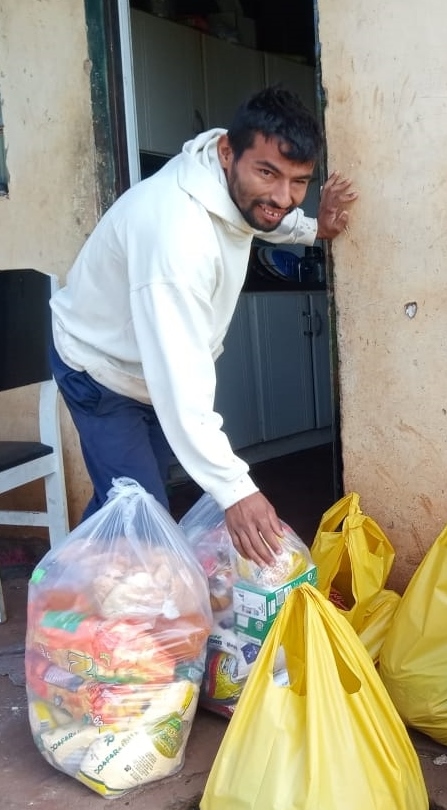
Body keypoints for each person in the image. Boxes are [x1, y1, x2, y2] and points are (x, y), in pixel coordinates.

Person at [49, 86, 357, 565]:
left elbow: (264, 216)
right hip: (99, 368)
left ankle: (75, 582)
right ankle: (83, 610)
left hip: (148, 370)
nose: (283, 195)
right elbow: (180, 375)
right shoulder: (177, 237)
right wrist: (236, 491)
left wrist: (315, 229)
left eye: (299, 181)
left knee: (127, 501)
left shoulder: (231, 183)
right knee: (143, 519)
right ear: (228, 152)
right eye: (268, 172)